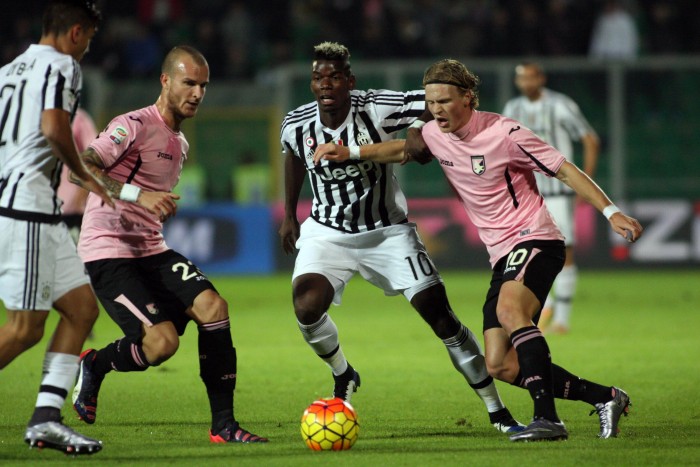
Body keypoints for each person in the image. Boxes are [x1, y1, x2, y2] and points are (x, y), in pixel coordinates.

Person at [313, 58, 643, 442]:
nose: (436, 110)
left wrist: (611, 212)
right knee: (499, 362)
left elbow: (564, 168)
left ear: (468, 98)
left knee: (510, 310)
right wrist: (350, 154)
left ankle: (547, 419)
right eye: (431, 103)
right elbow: (402, 150)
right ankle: (606, 397)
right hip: (501, 254)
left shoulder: (505, 133)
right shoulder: (436, 133)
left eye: (445, 101)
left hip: (535, 237)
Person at [279, 42, 524, 434]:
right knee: (306, 306)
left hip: (388, 233)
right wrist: (290, 213)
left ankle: (498, 411)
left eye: (334, 77)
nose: (325, 84)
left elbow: (433, 102)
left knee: (440, 317)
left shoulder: (376, 105)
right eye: (318, 77)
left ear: (350, 81)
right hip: (328, 234)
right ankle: (343, 374)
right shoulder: (296, 122)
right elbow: (292, 153)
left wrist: (415, 130)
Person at [69, 45, 267, 444]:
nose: (196, 93)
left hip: (152, 250)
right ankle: (96, 364)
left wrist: (151, 207)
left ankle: (224, 425)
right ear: (165, 80)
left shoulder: (181, 144)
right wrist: (137, 195)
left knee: (214, 307)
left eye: (203, 86)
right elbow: (81, 169)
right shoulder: (132, 125)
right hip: (109, 250)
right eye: (189, 83)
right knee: (162, 345)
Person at [0, 0, 111, 455]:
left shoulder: (8, 71)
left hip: (34, 209)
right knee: (25, 328)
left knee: (83, 309)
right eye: (87, 42)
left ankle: (46, 418)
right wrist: (83, 175)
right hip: (25, 208)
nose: (85, 51)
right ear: (77, 34)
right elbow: (53, 127)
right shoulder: (63, 66)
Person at [502, 62, 600, 334]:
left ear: (541, 78)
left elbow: (590, 139)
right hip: (526, 193)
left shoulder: (560, 104)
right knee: (527, 252)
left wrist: (585, 181)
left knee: (564, 252)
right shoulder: (513, 108)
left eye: (530, 77)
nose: (525, 82)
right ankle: (547, 305)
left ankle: (562, 320)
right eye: (520, 78)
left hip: (557, 192)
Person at [58, 107, 98, 244]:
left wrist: (79, 199)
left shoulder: (77, 118)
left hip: (72, 212)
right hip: (42, 210)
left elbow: (94, 161)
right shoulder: (33, 117)